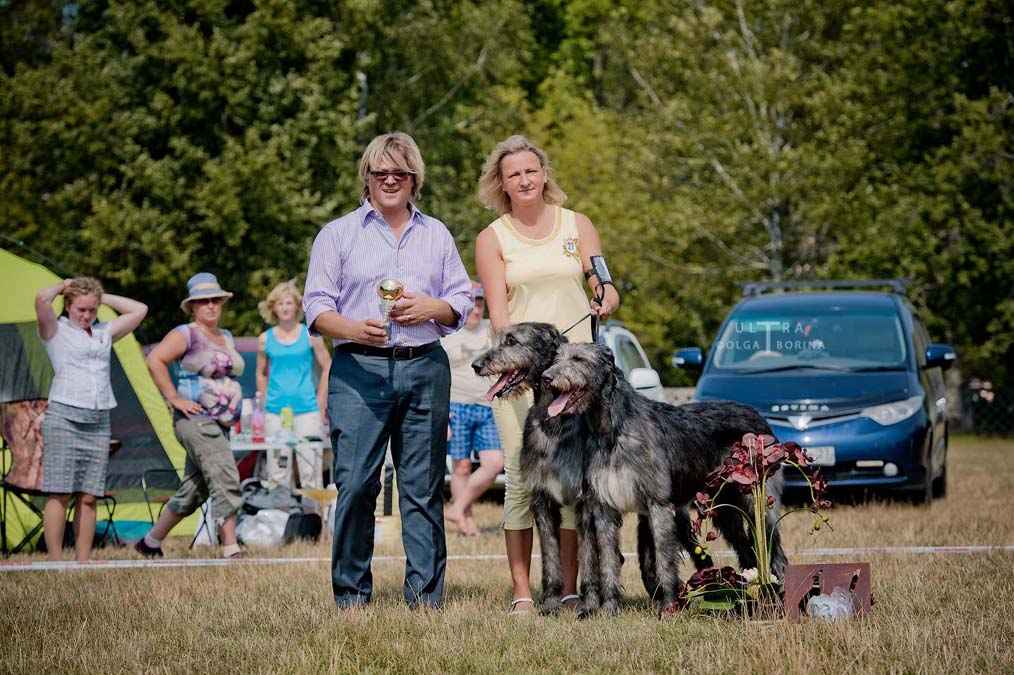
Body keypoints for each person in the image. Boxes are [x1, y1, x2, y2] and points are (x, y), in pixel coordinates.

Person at [303, 132, 472, 610]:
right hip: (358, 370)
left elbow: (461, 299)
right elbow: (315, 308)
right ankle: (352, 595)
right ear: (368, 178)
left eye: (401, 173)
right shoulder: (337, 234)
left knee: (422, 488)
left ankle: (425, 599)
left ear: (414, 180)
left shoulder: (436, 233)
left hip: (425, 369)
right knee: (356, 483)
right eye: (382, 173)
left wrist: (431, 307)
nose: (391, 180)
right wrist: (354, 328)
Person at [475, 134, 620, 615]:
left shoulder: (576, 224)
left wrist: (607, 294)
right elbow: (499, 320)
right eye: (514, 174)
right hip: (523, 375)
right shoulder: (492, 238)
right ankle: (523, 592)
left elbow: (602, 278)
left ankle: (570, 589)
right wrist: (530, 364)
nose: (524, 180)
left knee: (579, 480)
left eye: (531, 171)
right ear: (502, 183)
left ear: (544, 175)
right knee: (523, 481)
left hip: (579, 376)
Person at [34, 277, 147, 562]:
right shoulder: (54, 331)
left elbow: (139, 310)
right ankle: (56, 560)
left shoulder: (103, 332)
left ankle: (83, 561)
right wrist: (62, 287)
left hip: (98, 419)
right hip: (63, 417)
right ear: (68, 306)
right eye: (80, 309)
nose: (86, 316)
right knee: (60, 492)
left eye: (91, 310)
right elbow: (40, 300)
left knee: (89, 495)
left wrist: (100, 297)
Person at [135, 273, 246, 559]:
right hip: (196, 420)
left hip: (220, 423)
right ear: (192, 307)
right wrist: (173, 398)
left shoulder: (226, 336)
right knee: (224, 473)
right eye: (203, 301)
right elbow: (154, 360)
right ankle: (231, 548)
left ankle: (150, 542)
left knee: (195, 489)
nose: (210, 306)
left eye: (215, 300)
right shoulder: (185, 334)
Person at [255, 280, 332, 491]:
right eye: (280, 304)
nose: (285, 308)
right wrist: (263, 399)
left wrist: (320, 400)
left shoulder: (310, 335)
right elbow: (260, 373)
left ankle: (314, 522)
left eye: (289, 303)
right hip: (275, 412)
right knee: (278, 474)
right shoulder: (264, 339)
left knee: (311, 473)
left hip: (307, 410)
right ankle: (279, 522)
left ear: (297, 306)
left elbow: (328, 366)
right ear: (273, 309)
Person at [441, 281, 504, 537]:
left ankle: (456, 508)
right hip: (456, 405)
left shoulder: (492, 330)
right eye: (472, 305)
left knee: (494, 463)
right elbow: (438, 374)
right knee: (462, 467)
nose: (476, 311)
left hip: (487, 406)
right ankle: (466, 522)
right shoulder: (447, 332)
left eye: (480, 304)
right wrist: (442, 413)